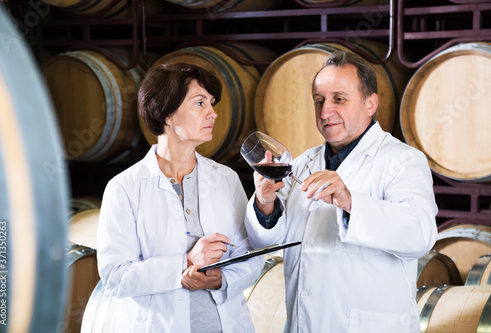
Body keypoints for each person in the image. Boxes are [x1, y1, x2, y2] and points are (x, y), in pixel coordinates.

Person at [244, 51, 438, 333]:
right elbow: (264, 240)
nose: (325, 112)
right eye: (319, 101)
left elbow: (420, 235)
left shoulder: (402, 161)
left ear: (370, 103)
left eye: (339, 99)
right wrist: (264, 202)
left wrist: (351, 203)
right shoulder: (302, 163)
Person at [97, 62, 264, 333]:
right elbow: (116, 277)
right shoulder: (124, 188)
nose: (213, 113)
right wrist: (185, 262)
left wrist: (222, 279)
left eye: (211, 103)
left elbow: (250, 256)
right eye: (200, 103)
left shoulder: (225, 178)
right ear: (166, 113)